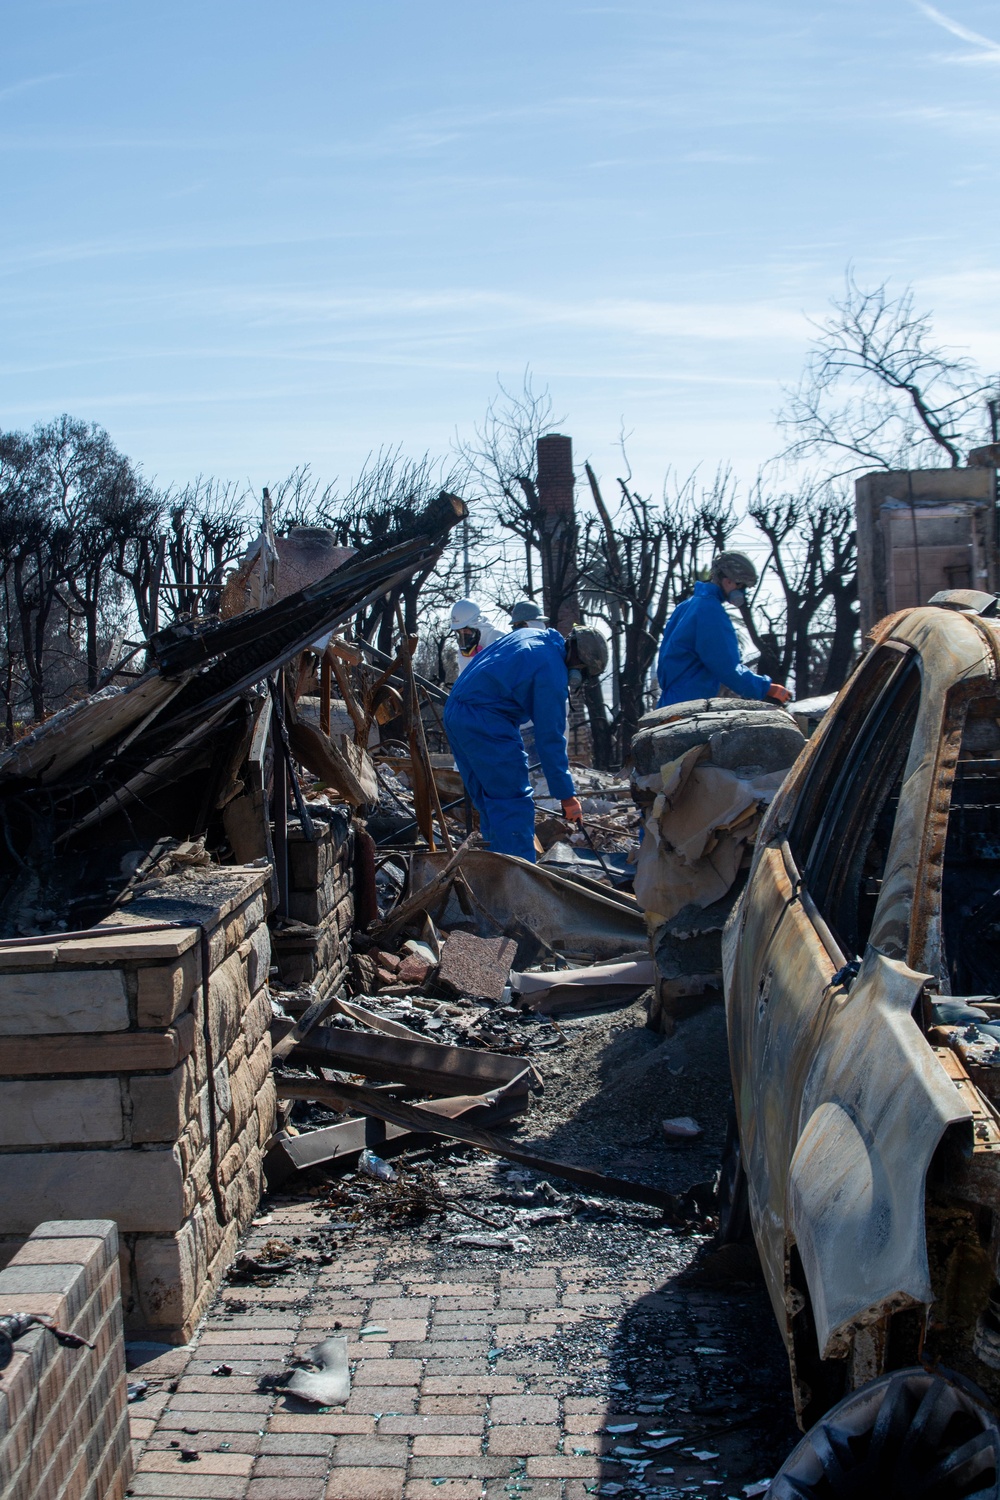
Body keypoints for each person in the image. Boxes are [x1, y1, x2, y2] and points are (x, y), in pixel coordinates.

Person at [444, 625, 608, 862]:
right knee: (513, 804)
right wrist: (567, 797)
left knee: (491, 802)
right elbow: (550, 740)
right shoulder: (552, 672)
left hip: (456, 711)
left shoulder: (533, 634)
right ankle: (519, 880)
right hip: (486, 719)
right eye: (584, 675)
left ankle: (496, 868)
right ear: (580, 664)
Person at [656, 552, 791, 709]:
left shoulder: (687, 606)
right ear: (728, 581)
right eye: (742, 587)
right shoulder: (710, 611)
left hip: (670, 701)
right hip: (689, 704)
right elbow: (726, 667)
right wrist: (767, 688)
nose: (743, 593)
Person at [450, 598, 505, 674]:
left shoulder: (498, 638)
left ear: (476, 625)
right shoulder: (464, 651)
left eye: (465, 630)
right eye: (459, 632)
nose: (463, 635)